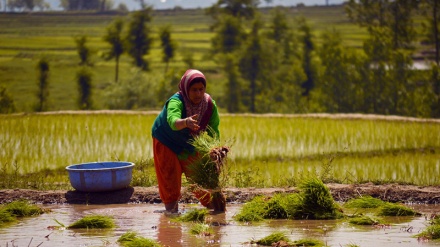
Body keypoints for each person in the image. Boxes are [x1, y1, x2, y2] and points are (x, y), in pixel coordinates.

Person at [151, 69, 221, 213]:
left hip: (189, 142)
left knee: (199, 177)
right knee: (170, 178)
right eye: (194, 90)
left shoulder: (209, 105)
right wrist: (185, 122)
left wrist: (215, 149)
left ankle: (214, 209)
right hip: (166, 140)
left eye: (201, 89)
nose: (198, 94)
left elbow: (213, 131)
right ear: (185, 89)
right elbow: (172, 120)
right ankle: (171, 213)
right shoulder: (176, 101)